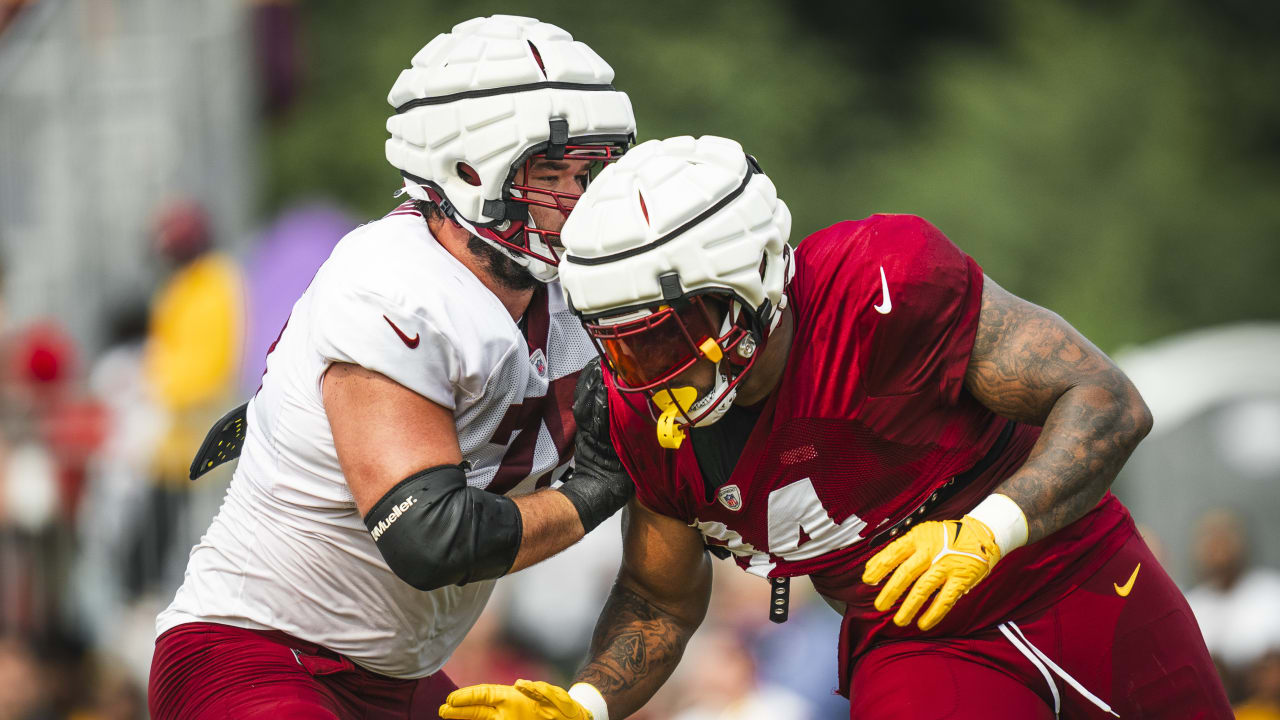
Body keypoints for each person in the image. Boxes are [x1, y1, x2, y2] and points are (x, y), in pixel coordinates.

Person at [439, 135, 1232, 719]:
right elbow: (659, 597)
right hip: (915, 637)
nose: (643, 372)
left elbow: (1104, 398)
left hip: (1076, 576)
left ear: (744, 285)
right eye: (616, 340)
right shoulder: (640, 414)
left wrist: (992, 528)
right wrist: (587, 702)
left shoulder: (882, 285)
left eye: (660, 335)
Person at [147, 16, 636, 720]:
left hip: (397, 675)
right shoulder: (397, 285)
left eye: (587, 174)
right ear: (465, 170)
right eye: (550, 174)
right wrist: (595, 489)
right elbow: (432, 538)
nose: (577, 201)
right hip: (259, 653)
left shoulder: (569, 293)